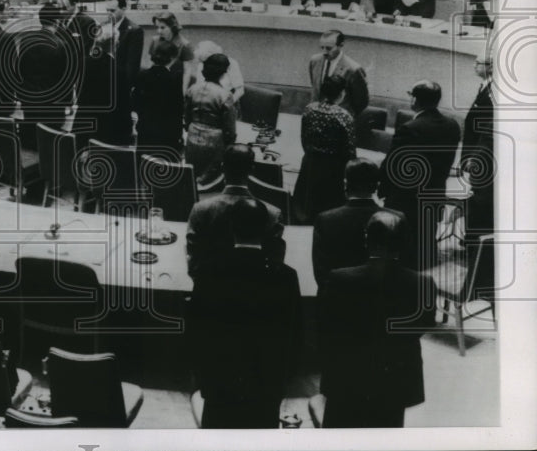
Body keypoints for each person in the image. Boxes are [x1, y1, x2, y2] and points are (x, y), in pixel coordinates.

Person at [187, 197, 301, 429]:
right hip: (266, 388)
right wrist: (280, 384)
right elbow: (296, 337)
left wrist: (205, 381)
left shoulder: (208, 272)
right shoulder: (286, 276)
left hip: (219, 388)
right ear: (266, 229)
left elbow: (195, 334)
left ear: (231, 227)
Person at [317, 211, 436, 427]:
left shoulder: (339, 279)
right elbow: (421, 327)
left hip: (347, 378)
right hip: (394, 380)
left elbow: (326, 326)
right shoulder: (422, 284)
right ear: (404, 243)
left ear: (366, 240)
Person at [378, 80, 462, 269]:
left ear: (414, 100)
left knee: (402, 254)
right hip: (433, 196)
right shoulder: (452, 126)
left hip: (406, 201)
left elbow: (392, 165)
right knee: (425, 251)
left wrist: (382, 187)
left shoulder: (409, 129)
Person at [312, 159, 407, 287]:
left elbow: (321, 274)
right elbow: (406, 266)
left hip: (341, 298)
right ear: (377, 186)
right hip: (386, 300)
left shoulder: (325, 220)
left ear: (345, 184)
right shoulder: (397, 217)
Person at [293, 75, 356, 223]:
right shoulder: (344, 117)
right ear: (341, 93)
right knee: (328, 213)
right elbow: (350, 152)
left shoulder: (309, 109)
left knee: (305, 210)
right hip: (333, 172)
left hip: (309, 165)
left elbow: (304, 139)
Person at [16, 4, 74, 147]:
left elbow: (19, 71)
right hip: (51, 107)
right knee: (49, 146)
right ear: (58, 22)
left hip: (29, 102)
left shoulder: (25, 41)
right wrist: (68, 104)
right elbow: (65, 81)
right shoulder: (62, 45)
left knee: (30, 143)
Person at [184, 53, 237, 181]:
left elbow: (187, 116)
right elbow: (229, 128)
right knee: (210, 179)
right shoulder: (225, 95)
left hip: (192, 136)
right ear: (223, 73)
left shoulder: (192, 89)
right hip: (214, 142)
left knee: (191, 174)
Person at [131, 39, 183, 160]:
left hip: (145, 129)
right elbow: (178, 111)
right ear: (172, 58)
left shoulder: (142, 75)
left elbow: (135, 103)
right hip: (166, 135)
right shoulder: (174, 80)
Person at [461, 53, 494, 239]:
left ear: (490, 67)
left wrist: (473, 156)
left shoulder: (492, 91)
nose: (474, 65)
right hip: (475, 150)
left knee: (478, 198)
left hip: (480, 153)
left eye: (478, 63)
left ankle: (472, 239)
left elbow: (484, 129)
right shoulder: (485, 87)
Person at [307, 30, 369, 118]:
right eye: (322, 47)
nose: (324, 52)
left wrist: (344, 116)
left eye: (329, 48)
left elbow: (361, 102)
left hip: (339, 120)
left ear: (341, 45)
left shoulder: (353, 69)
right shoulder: (314, 61)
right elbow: (315, 86)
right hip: (314, 116)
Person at [148, 12, 194, 89]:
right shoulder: (155, 40)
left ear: (172, 27)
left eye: (162, 28)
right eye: (157, 27)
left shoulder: (185, 45)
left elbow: (187, 72)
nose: (159, 31)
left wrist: (183, 92)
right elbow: (151, 65)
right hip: (156, 84)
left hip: (174, 85)